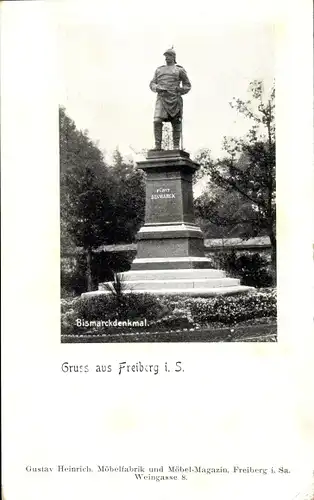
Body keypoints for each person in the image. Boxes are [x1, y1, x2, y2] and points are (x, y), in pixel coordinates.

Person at [149, 48, 191, 150]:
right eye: (165, 56)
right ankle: (157, 145)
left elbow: (187, 85)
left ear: (173, 57)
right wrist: (157, 87)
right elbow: (152, 83)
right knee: (157, 120)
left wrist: (180, 90)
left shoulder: (179, 70)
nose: (166, 57)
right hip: (162, 97)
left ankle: (176, 146)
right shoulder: (159, 70)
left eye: (168, 55)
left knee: (176, 122)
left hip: (174, 98)